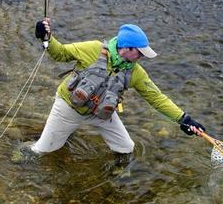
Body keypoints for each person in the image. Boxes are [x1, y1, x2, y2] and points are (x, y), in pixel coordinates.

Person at [29, 18, 205, 155]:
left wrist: (184, 119)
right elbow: (60, 53)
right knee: (42, 151)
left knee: (126, 148)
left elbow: (157, 98)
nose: (142, 57)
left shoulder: (136, 73)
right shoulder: (93, 48)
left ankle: (118, 173)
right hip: (68, 109)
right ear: (127, 48)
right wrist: (47, 38)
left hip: (101, 114)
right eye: (140, 52)